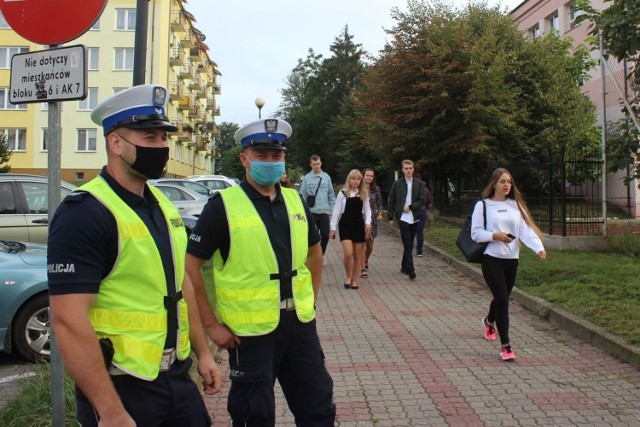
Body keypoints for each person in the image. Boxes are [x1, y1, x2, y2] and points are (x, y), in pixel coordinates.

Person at [47, 84, 222, 426]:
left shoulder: (163, 207)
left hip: (175, 378)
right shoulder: (85, 212)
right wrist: (111, 412)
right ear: (116, 143)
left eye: (162, 138)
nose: (161, 147)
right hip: (121, 387)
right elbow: (68, 319)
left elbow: (181, 284)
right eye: (149, 138)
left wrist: (203, 354)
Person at [185, 118, 336, 426]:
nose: (270, 162)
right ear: (244, 159)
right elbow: (190, 268)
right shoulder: (223, 206)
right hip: (250, 335)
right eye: (261, 155)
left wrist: (310, 300)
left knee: (318, 409)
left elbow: (314, 254)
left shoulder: (294, 201)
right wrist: (211, 325)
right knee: (255, 415)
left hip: (299, 327)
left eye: (276, 156)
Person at [471, 167, 547, 361]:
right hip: (491, 258)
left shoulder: (515, 205)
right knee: (503, 300)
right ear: (494, 183)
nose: (507, 185)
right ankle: (506, 346)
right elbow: (476, 233)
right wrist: (495, 235)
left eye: (509, 182)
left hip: (512, 259)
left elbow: (525, 230)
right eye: (503, 181)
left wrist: (537, 246)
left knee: (501, 297)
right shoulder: (483, 205)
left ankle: (489, 321)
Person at [330, 169, 372, 289]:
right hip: (345, 225)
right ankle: (348, 276)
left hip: (358, 224)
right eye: (353, 179)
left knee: (358, 254)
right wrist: (333, 227)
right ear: (349, 179)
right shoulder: (343, 193)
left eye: (358, 179)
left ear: (360, 181)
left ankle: (354, 279)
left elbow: (368, 210)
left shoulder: (363, 193)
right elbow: (336, 211)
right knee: (348, 253)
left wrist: (368, 222)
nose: (355, 181)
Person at [387, 159, 427, 280]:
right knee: (407, 242)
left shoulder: (419, 184)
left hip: (414, 217)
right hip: (402, 217)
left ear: (413, 169)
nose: (408, 170)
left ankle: (404, 266)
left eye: (410, 168)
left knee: (410, 242)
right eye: (406, 168)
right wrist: (390, 216)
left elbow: (423, 200)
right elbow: (391, 200)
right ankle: (411, 270)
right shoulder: (397, 184)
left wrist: (411, 207)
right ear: (403, 170)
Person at [299, 154, 336, 265]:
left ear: (321, 163)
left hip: (324, 211)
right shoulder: (306, 178)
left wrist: (333, 211)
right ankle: (311, 256)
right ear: (311, 164)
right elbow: (302, 195)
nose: (316, 166)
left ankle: (321, 254)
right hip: (311, 212)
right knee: (311, 236)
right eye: (314, 164)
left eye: (318, 164)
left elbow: (331, 195)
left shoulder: (326, 177)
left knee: (325, 234)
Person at [360, 168, 384, 278]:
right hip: (359, 219)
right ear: (363, 176)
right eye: (367, 175)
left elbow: (380, 203)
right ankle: (362, 266)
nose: (369, 178)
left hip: (372, 220)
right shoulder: (358, 188)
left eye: (371, 176)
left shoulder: (376, 189)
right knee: (361, 244)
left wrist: (380, 214)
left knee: (369, 245)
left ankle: (365, 259)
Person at [413, 171, 432, 257]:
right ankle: (419, 251)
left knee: (411, 231)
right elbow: (429, 200)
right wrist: (425, 207)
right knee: (420, 232)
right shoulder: (425, 188)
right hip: (422, 212)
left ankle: (409, 248)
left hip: (413, 212)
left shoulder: (411, 188)